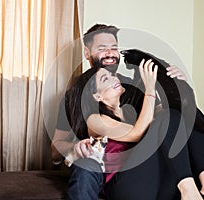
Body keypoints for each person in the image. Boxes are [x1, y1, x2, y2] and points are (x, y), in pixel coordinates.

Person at [51, 24, 187, 199]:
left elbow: (164, 123)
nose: (110, 53)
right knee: (86, 164)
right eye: (102, 48)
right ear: (87, 53)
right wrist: (74, 148)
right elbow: (55, 150)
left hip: (137, 171)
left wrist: (178, 84)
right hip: (98, 168)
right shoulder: (74, 97)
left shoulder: (135, 88)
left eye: (114, 48)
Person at [64, 62, 204, 199]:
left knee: (187, 112)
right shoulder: (95, 119)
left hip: (154, 183)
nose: (114, 78)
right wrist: (149, 88)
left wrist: (179, 83)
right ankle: (189, 191)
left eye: (112, 75)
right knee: (169, 116)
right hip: (126, 188)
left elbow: (173, 118)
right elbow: (136, 133)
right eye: (106, 79)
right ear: (96, 96)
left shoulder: (133, 113)